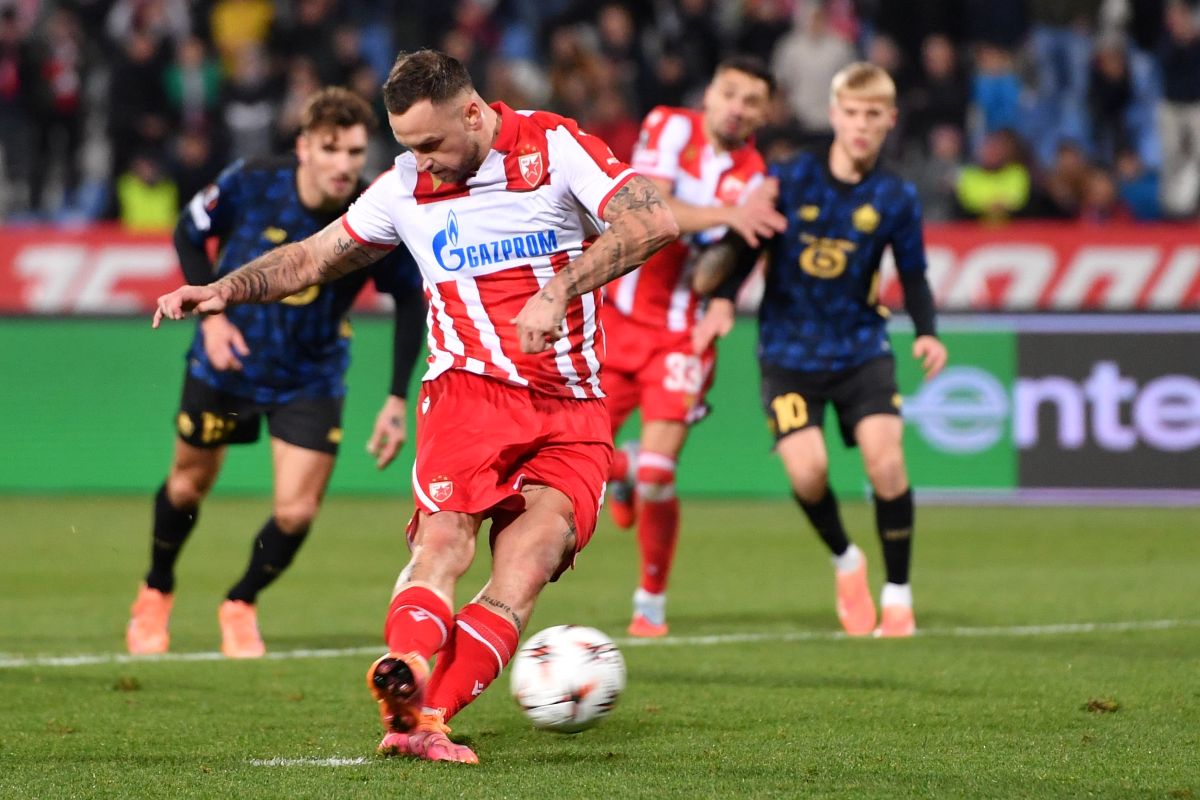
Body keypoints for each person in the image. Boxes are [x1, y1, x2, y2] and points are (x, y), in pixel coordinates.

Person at [152, 50, 678, 762]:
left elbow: (652, 221)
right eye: (406, 147)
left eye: (430, 144)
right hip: (467, 395)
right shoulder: (405, 185)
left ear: (472, 111)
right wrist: (222, 290)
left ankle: (425, 718)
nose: (421, 161)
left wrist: (560, 288)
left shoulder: (554, 148)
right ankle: (408, 675)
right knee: (442, 544)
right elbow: (312, 256)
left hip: (571, 408)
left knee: (528, 565)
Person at [126, 87, 425, 659]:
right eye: (332, 149)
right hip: (229, 362)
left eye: (355, 151)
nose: (345, 163)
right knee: (188, 484)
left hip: (311, 375)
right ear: (304, 148)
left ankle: (240, 602)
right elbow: (189, 232)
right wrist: (210, 326)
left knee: (297, 510)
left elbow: (409, 300)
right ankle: (156, 589)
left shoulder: (370, 211)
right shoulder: (252, 180)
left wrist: (394, 397)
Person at [693, 62, 947, 638]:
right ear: (834, 115)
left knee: (887, 460)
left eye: (872, 116)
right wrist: (725, 301)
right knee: (808, 474)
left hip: (861, 348)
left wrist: (928, 330)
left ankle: (899, 593)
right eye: (851, 114)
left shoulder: (895, 196)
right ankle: (846, 560)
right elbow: (749, 245)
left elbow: (914, 272)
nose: (861, 125)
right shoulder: (789, 179)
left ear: (890, 121)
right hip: (787, 352)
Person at [601, 55, 785, 638]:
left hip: (684, 332)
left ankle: (651, 600)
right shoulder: (667, 126)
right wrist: (731, 214)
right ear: (709, 92)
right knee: (571, 459)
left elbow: (746, 250)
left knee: (659, 473)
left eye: (751, 100)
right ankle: (616, 470)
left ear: (764, 112)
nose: (737, 107)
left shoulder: (758, 176)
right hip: (614, 319)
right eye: (729, 92)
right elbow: (652, 209)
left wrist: (729, 293)